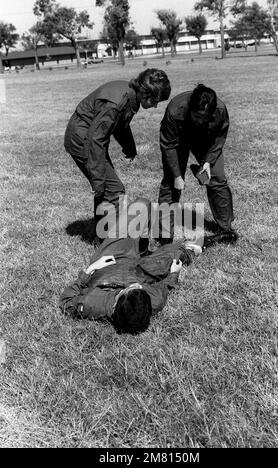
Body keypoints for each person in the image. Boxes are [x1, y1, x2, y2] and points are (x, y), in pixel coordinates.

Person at [59, 198, 201, 335]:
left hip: (110, 262)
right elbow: (164, 287)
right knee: (175, 254)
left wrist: (90, 270)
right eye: (141, 289)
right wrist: (173, 274)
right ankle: (180, 250)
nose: (139, 286)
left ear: (119, 297)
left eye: (133, 288)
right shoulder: (154, 302)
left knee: (140, 206)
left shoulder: (93, 304)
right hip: (139, 272)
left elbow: (66, 302)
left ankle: (138, 246)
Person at [64, 69, 171, 241]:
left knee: (107, 188)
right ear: (145, 93)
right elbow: (95, 140)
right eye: (155, 101)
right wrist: (97, 179)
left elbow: (121, 124)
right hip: (83, 140)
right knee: (114, 190)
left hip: (87, 137)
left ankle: (101, 236)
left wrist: (130, 149)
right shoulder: (118, 101)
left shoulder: (130, 96)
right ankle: (114, 242)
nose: (155, 106)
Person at [157, 83, 235, 245]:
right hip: (178, 140)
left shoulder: (220, 110)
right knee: (171, 183)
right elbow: (168, 145)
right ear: (190, 108)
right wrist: (177, 176)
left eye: (204, 117)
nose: (199, 121)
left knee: (218, 179)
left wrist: (208, 161)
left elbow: (219, 138)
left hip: (205, 140)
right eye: (196, 116)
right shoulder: (175, 109)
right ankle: (164, 235)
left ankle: (225, 228)